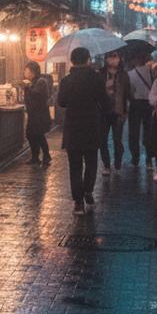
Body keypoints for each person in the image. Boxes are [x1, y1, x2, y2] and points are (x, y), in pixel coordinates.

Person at [57, 47, 112, 215]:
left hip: (73, 127)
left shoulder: (66, 81)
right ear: (88, 59)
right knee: (91, 162)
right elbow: (104, 102)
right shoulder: (96, 79)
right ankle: (88, 190)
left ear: (72, 61)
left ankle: (78, 202)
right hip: (91, 126)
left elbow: (62, 102)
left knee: (75, 166)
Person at [98, 51, 130, 174]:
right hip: (103, 112)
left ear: (119, 59)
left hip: (118, 111)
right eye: (110, 57)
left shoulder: (123, 75)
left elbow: (127, 93)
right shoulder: (101, 74)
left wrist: (125, 112)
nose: (113, 59)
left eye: (115, 57)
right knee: (102, 140)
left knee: (117, 140)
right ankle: (106, 165)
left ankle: (117, 162)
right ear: (106, 59)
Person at [23, 61, 54, 166]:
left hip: (40, 115)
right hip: (33, 114)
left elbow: (35, 95)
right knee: (31, 135)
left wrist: (27, 86)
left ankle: (45, 156)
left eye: (27, 71)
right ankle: (35, 157)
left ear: (32, 72)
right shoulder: (33, 82)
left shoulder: (41, 81)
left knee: (38, 135)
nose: (25, 73)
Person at [125, 57, 154, 166]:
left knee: (134, 132)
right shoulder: (151, 72)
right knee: (149, 131)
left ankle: (135, 157)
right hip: (149, 104)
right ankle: (149, 158)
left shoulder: (130, 74)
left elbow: (130, 91)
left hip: (135, 104)